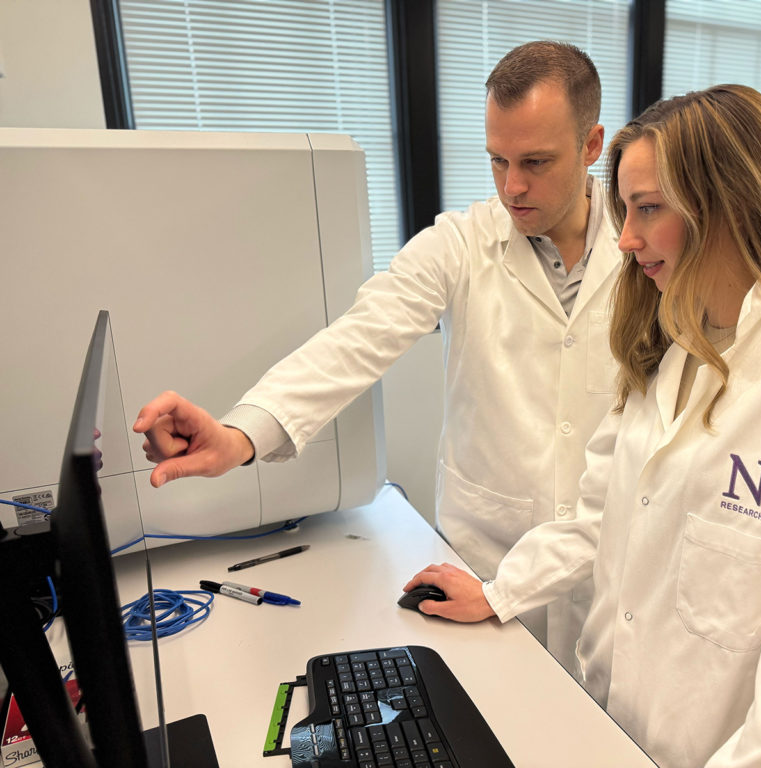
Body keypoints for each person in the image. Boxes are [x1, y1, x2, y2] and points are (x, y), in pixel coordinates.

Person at [403, 85, 761, 768]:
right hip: (608, 722)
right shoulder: (668, 344)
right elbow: (596, 517)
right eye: (625, 209)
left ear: (734, 202)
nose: (623, 238)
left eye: (648, 209)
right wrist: (500, 592)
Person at [132, 41, 621, 673]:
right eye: (497, 161)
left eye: (535, 161)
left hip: (605, 571)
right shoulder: (460, 243)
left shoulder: (645, 252)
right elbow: (356, 340)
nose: (512, 187)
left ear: (591, 145)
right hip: (484, 559)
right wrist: (239, 436)